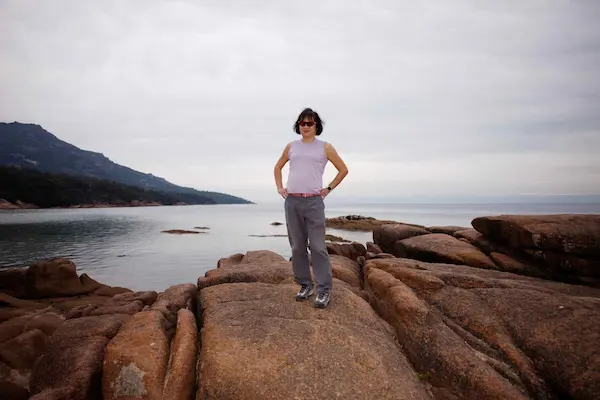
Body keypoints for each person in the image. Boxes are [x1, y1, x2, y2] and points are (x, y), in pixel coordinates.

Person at [273, 108, 349, 308]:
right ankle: (305, 285)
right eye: (302, 123)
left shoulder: (325, 147)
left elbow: (343, 169)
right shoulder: (291, 146)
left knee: (317, 246)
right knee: (297, 247)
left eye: (309, 123)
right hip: (292, 202)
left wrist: (328, 188)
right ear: (298, 125)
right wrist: (280, 187)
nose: (305, 126)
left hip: (314, 202)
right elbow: (277, 167)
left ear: (317, 126)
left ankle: (324, 289)